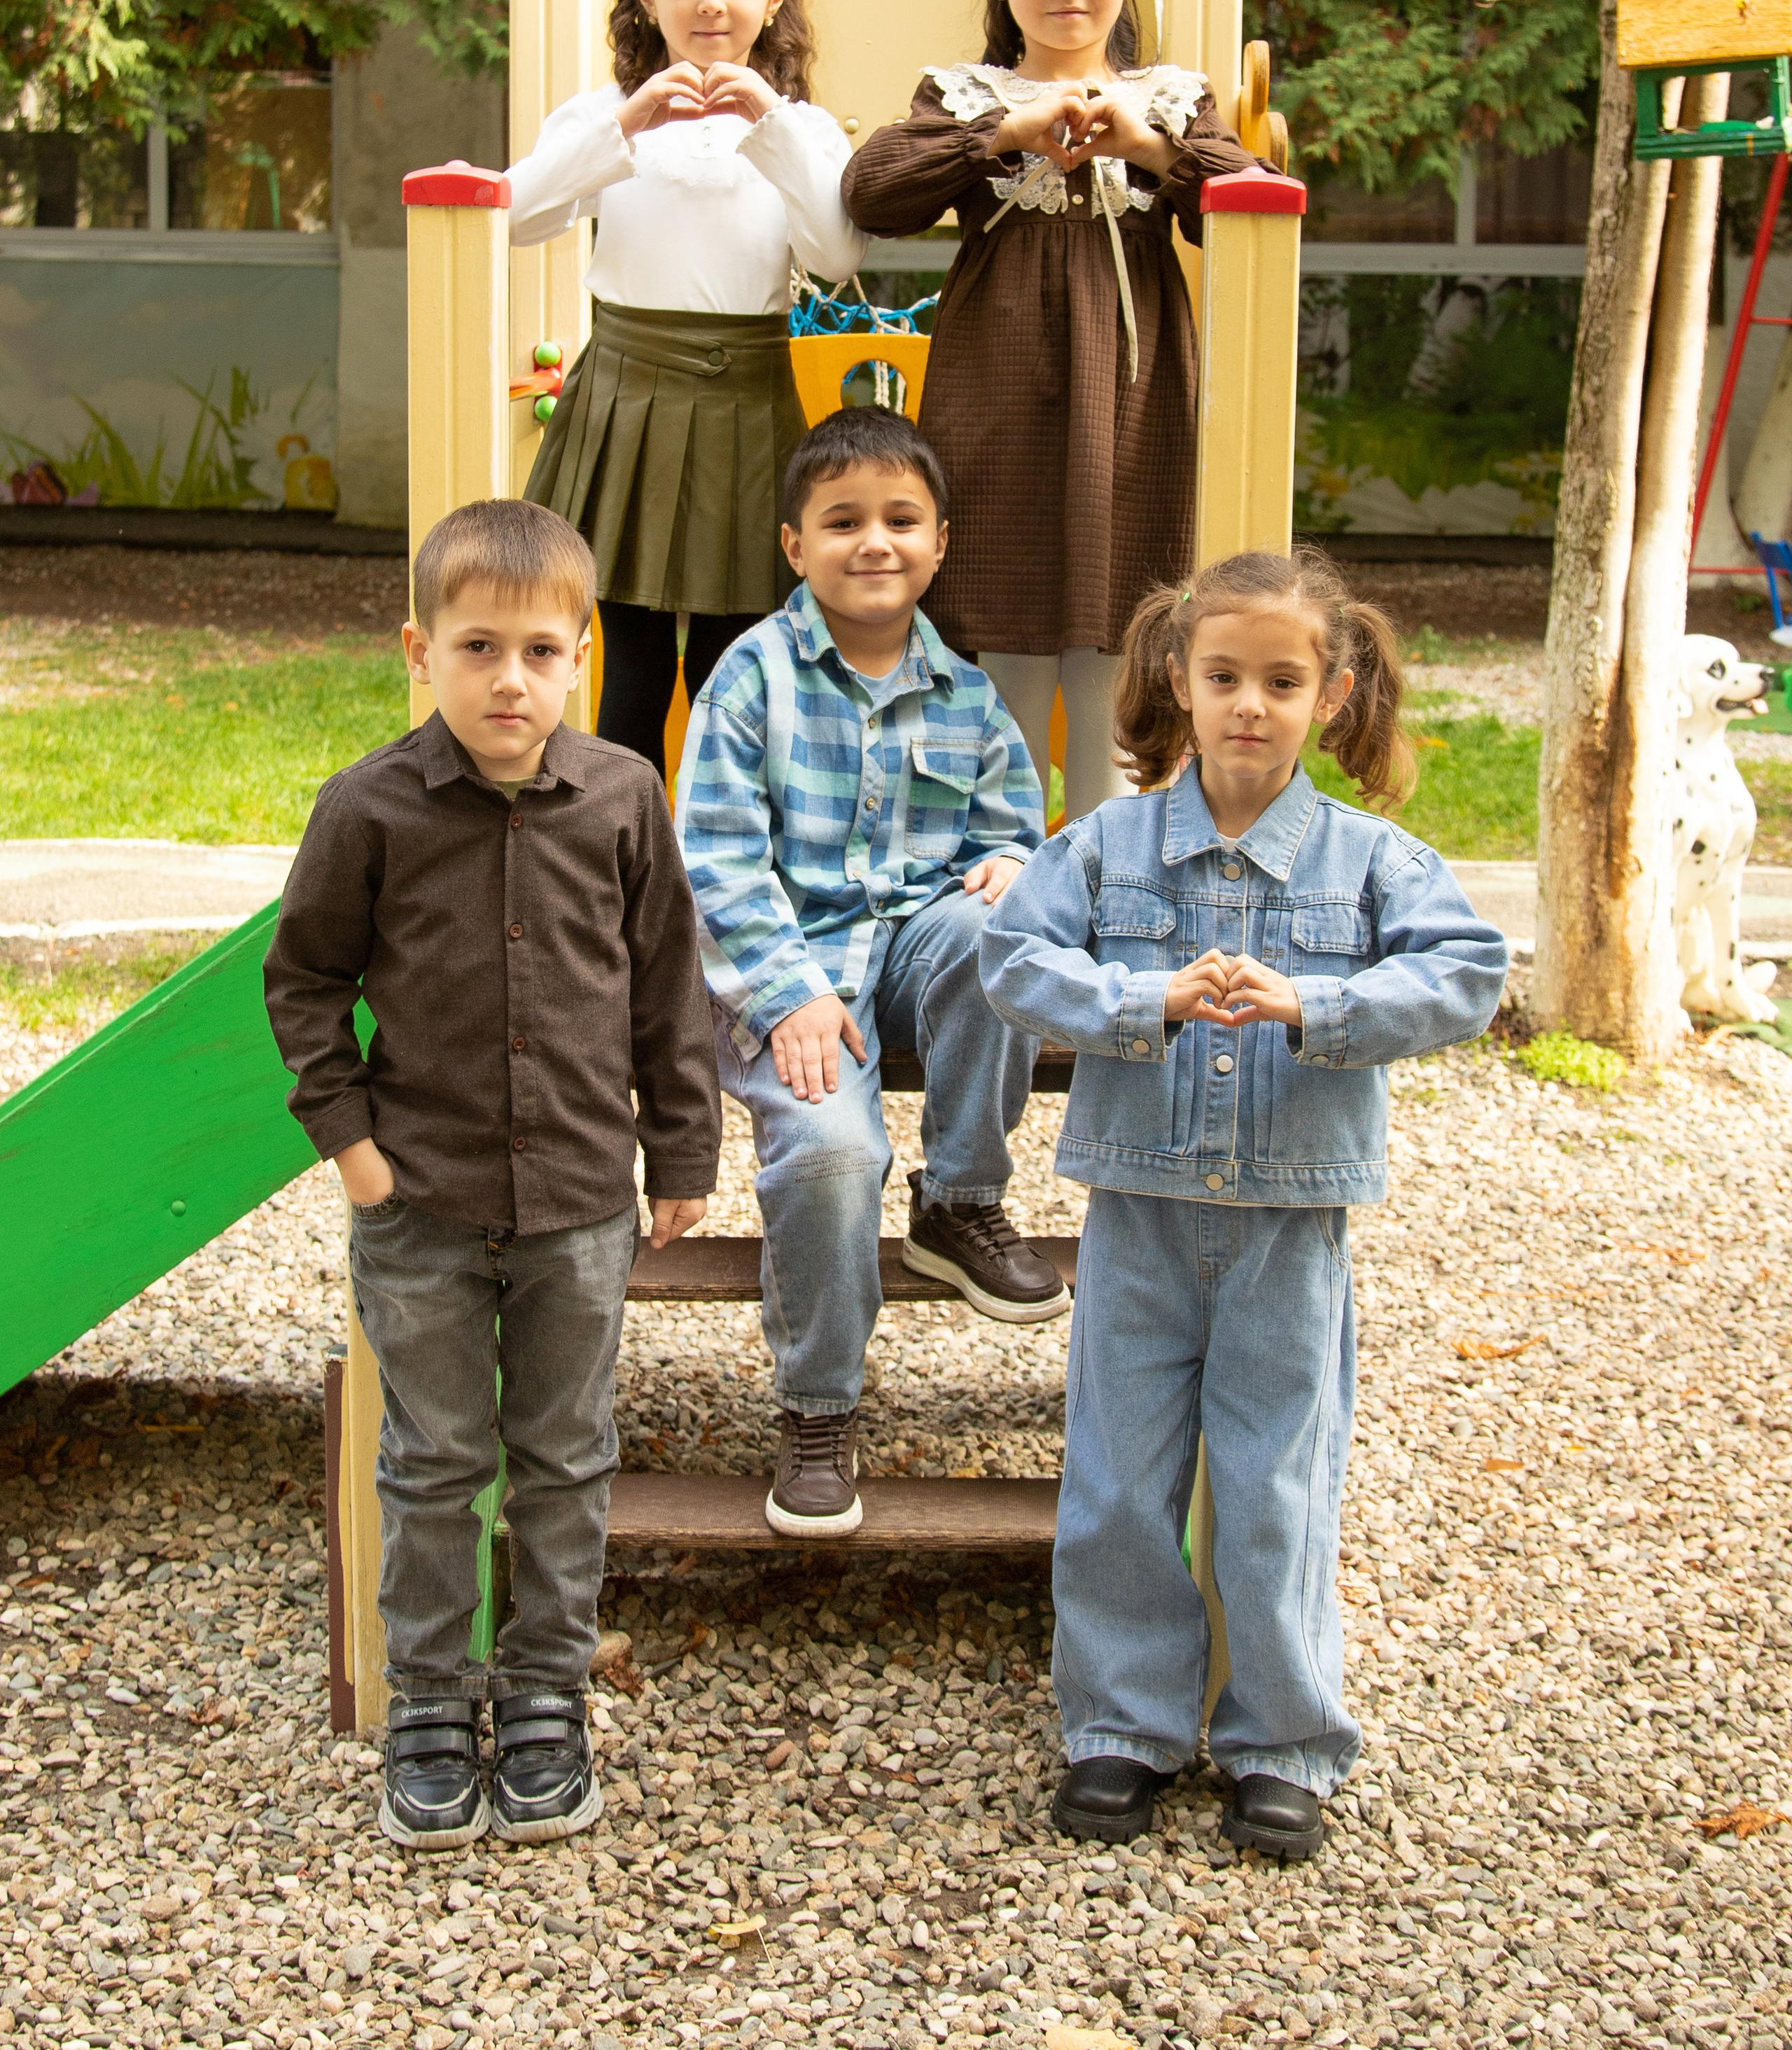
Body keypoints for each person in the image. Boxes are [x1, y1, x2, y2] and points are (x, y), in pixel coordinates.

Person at [980, 547, 1508, 1853]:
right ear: (1181, 677)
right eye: (1225, 677)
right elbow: (1011, 956)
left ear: (1331, 694)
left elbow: (1468, 971)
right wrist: (1139, 999)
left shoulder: (1370, 859)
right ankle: (1121, 1728)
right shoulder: (1107, 844)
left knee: (1278, 1487)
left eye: (1282, 681)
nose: (1250, 706)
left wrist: (1321, 1004)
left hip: (1290, 1228)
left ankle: (1283, 1741)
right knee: (1118, 1480)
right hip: (1140, 1215)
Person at [263, 500, 720, 1849]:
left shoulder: (625, 797)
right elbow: (305, 980)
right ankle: (429, 1698)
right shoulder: (368, 808)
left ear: (581, 654)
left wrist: (681, 1145)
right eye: (476, 647)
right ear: (422, 651)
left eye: (538, 651)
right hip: (420, 1202)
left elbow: (666, 983)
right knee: (435, 1458)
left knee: (566, 1455)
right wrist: (351, 1145)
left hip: (580, 1199)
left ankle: (543, 1695)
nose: (508, 679)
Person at [674, 405, 1061, 1539]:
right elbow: (716, 859)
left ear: (940, 543)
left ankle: (961, 1199)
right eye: (843, 521)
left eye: (901, 518)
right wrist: (787, 992)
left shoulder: (968, 694)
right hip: (790, 967)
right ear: (796, 545)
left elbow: (1011, 826)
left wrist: (1009, 863)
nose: (875, 541)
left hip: (914, 954)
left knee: (1001, 930)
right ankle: (818, 1408)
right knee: (833, 1153)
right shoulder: (750, 680)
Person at [841, 0, 1272, 823]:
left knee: (1123, 646)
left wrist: (1149, 148)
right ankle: (1002, 876)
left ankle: (1109, 875)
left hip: (1132, 410)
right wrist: (1006, 133)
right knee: (1004, 651)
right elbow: (872, 190)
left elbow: (1256, 201)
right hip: (998, 406)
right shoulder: (966, 97)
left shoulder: (1172, 99)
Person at [509, 0, 864, 778]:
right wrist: (624, 126)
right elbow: (513, 215)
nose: (712, 1)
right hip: (625, 400)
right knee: (628, 669)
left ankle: (719, 854)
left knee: (727, 668)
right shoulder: (602, 114)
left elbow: (835, 255)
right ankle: (615, 847)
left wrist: (771, 125)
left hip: (748, 404)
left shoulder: (804, 128)